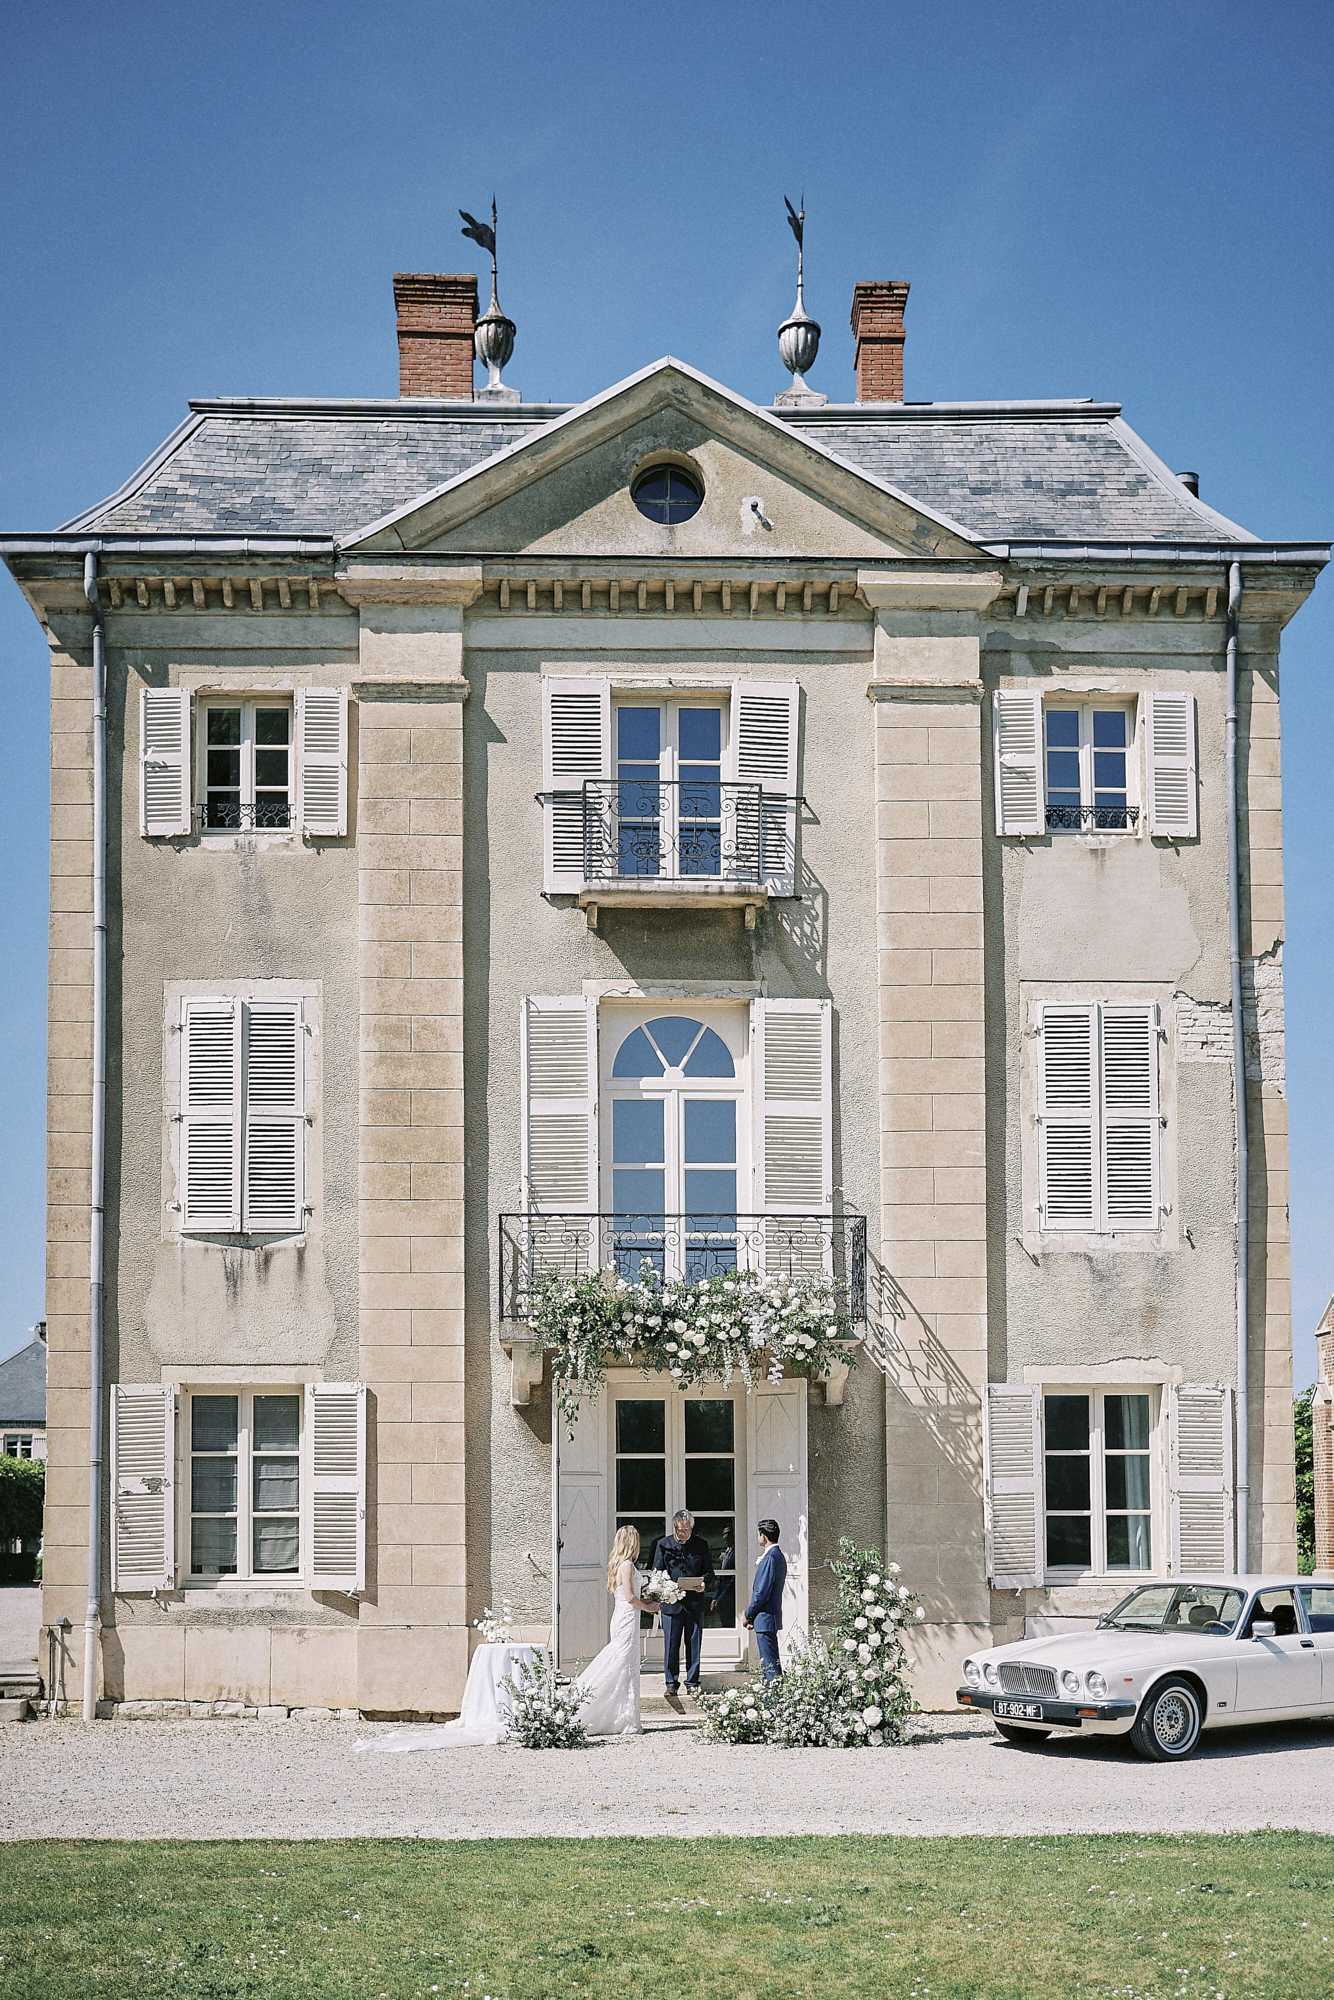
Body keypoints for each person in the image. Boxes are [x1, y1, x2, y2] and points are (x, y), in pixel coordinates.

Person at [574, 1525, 659, 1737]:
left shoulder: (619, 1564)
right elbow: (630, 1598)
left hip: (623, 1616)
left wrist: (649, 1599)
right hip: (627, 1617)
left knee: (624, 1663)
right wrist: (648, 1606)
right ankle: (621, 1717)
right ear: (632, 1542)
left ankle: (621, 1715)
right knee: (623, 1664)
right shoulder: (628, 1565)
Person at [649, 1510, 715, 1702]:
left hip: (694, 1603)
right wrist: (666, 1588)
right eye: (680, 1530)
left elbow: (710, 1573)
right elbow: (657, 1573)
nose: (683, 1533)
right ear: (674, 1527)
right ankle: (671, 1683)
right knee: (671, 1644)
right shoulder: (663, 1545)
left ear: (691, 1528)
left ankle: (693, 1683)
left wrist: (704, 1584)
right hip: (671, 1604)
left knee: (694, 1644)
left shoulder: (701, 1545)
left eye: (687, 1530)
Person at [743, 1519, 787, 1682]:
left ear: (764, 1536)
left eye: (758, 1534)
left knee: (770, 1667)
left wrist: (747, 1614)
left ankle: (774, 1703)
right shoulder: (777, 1556)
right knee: (771, 1664)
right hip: (768, 1618)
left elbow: (761, 1593)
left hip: (766, 1618)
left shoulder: (770, 1557)